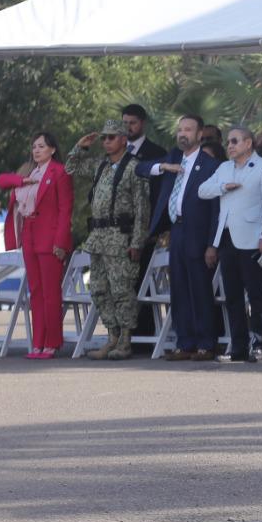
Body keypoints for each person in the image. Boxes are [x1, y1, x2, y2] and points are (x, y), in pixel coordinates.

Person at [137, 115, 222, 361]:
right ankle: (185, 343)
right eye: (180, 130)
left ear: (199, 134)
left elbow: (216, 208)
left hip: (198, 232)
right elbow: (140, 168)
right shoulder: (173, 157)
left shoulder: (210, 164)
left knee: (199, 289)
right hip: (177, 231)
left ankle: (206, 343)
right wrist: (164, 168)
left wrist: (211, 244)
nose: (182, 134)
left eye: (188, 130)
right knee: (179, 289)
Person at [68, 120, 151, 360]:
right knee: (99, 289)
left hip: (120, 238)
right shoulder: (100, 166)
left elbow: (142, 209)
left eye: (111, 137)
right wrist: (80, 147)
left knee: (122, 290)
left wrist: (137, 242)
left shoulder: (134, 168)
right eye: (104, 137)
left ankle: (125, 341)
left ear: (124, 139)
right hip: (98, 238)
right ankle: (112, 337)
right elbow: (70, 168)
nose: (106, 141)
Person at [198, 126, 262, 362]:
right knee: (232, 295)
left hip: (253, 238)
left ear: (249, 143)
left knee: (255, 294)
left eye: (235, 141)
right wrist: (223, 187)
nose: (230, 146)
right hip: (227, 237)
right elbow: (202, 190)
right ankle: (238, 346)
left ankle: (260, 343)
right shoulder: (224, 168)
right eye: (229, 142)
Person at [0, 132, 74, 359]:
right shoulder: (29, 171)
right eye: (34, 147)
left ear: (52, 149)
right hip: (29, 234)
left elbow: (65, 209)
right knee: (36, 292)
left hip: (49, 238)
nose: (36, 150)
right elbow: (2, 180)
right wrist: (22, 181)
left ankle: (51, 342)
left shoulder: (59, 172)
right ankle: (38, 342)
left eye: (41, 146)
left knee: (50, 293)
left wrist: (60, 241)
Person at [122, 103, 167, 340]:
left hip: (145, 229)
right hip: (118, 230)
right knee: (120, 286)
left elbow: (160, 194)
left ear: (143, 124)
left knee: (142, 284)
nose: (128, 128)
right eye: (125, 123)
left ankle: (144, 337)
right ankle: (121, 336)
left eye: (133, 123)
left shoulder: (157, 153)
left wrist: (154, 229)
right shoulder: (116, 151)